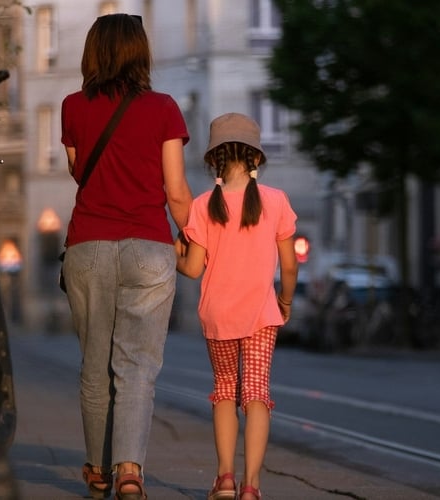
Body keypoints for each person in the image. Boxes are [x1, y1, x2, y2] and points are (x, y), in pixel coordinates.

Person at [60, 13, 192, 500]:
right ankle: (130, 471)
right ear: (141, 52)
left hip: (88, 246)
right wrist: (191, 236)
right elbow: (176, 192)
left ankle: (97, 469)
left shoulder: (73, 107)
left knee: (95, 364)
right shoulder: (164, 108)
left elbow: (79, 171)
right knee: (137, 367)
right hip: (149, 248)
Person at [174, 113, 298, 500]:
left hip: (218, 314)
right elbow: (289, 266)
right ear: (256, 158)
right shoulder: (276, 201)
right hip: (261, 313)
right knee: (257, 394)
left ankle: (224, 479)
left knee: (225, 391)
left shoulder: (201, 206)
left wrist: (175, 253)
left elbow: (193, 269)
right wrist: (285, 301)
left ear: (214, 160)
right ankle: (251, 486)